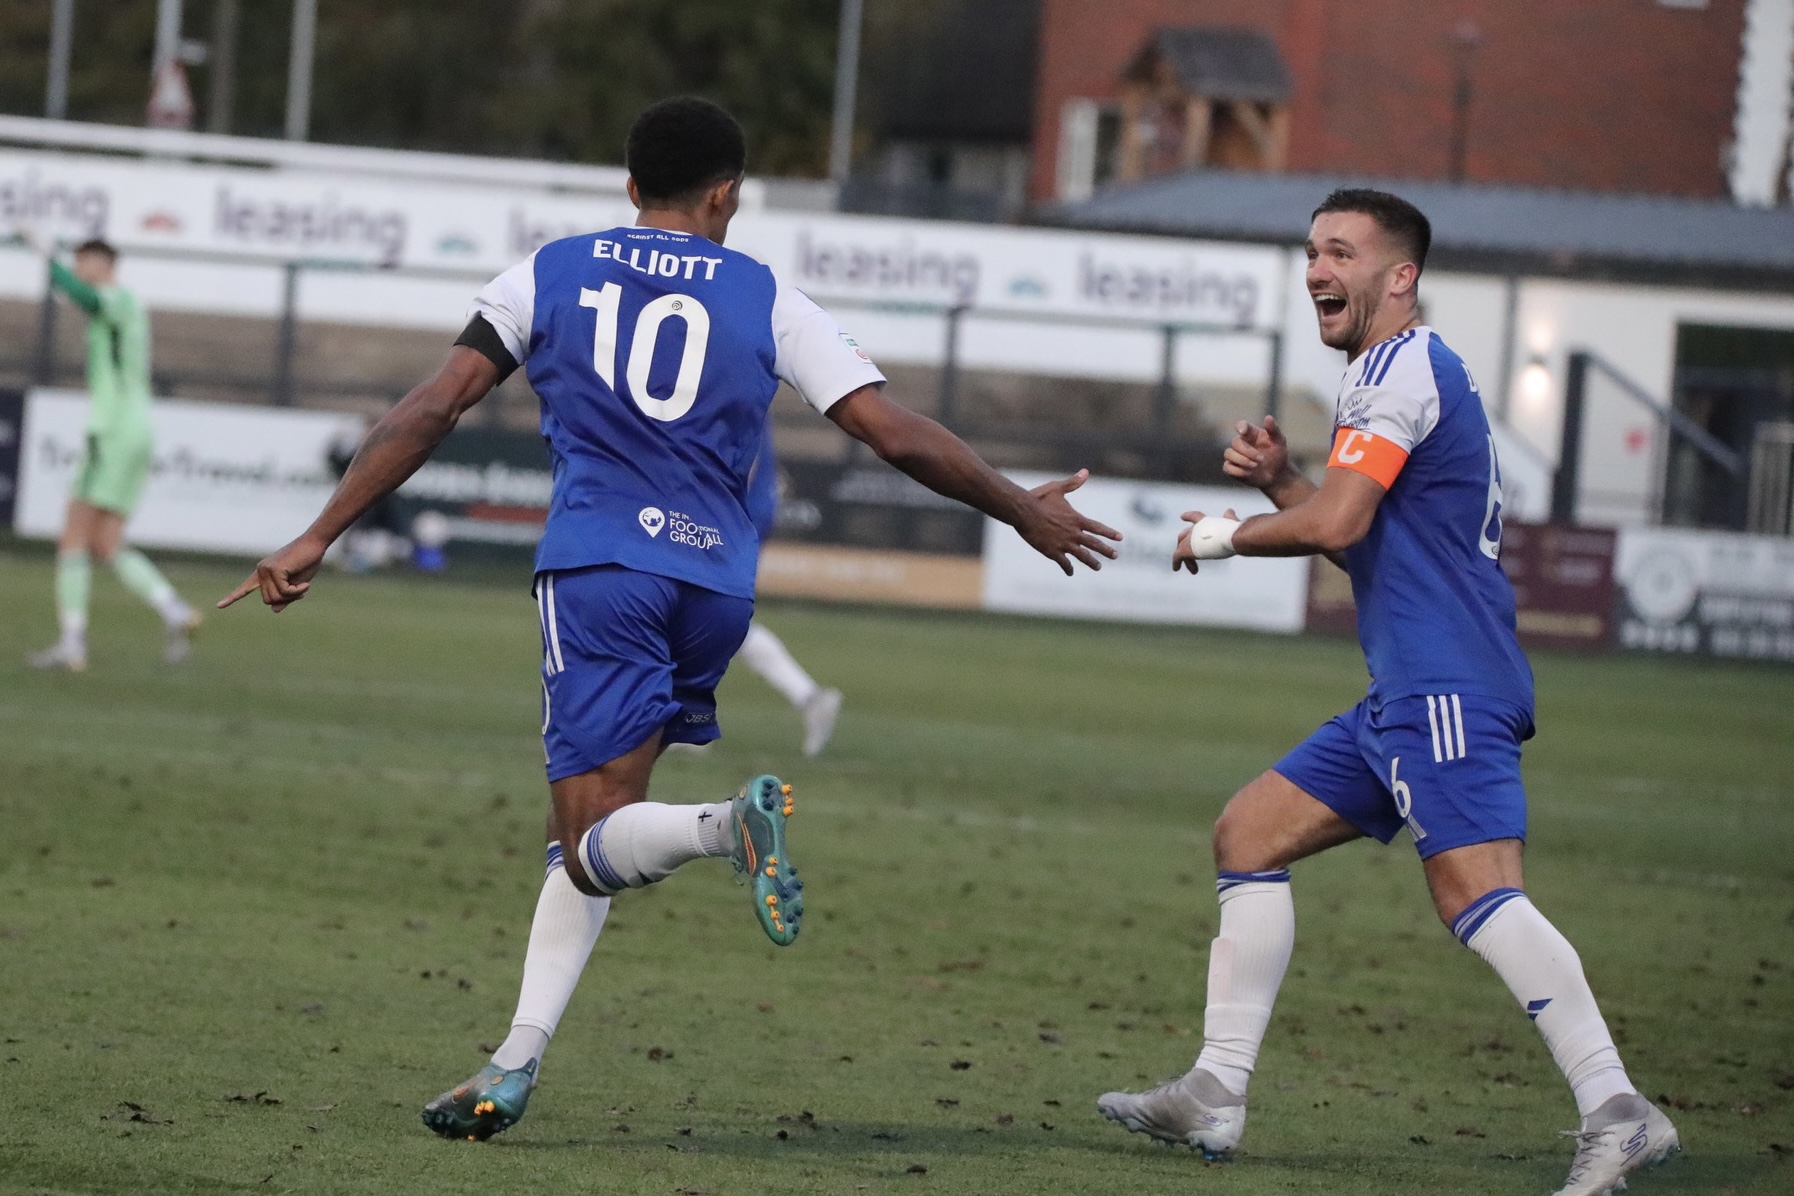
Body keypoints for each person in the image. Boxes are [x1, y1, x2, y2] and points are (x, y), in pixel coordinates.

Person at [220, 97, 1119, 1143]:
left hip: (600, 567)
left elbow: (434, 404)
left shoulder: (546, 272)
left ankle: (721, 826)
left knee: (588, 835)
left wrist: (319, 530)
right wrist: (1018, 506)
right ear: (727, 194)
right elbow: (892, 429)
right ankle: (513, 1060)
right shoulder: (769, 294)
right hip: (714, 587)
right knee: (589, 838)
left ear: (629, 184)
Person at [1094, 190, 1678, 1196]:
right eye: (1311, 250)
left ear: (1397, 277)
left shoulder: (1406, 367)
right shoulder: (1387, 373)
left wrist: (1222, 531)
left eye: (1341, 252)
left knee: (1476, 888)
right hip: (1405, 687)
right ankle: (1215, 1087)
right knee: (1250, 832)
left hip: (1444, 679)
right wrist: (1287, 485)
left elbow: (1340, 526)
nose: (1317, 268)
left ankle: (1617, 1107)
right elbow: (1359, 533)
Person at [22, 236, 200, 671]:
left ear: (101, 263)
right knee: (106, 541)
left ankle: (72, 643)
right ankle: (174, 610)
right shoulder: (130, 306)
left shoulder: (116, 299)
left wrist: (46, 256)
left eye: (82, 262)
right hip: (137, 429)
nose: (78, 270)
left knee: (73, 537)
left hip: (113, 429)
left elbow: (81, 296)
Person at [737, 424, 843, 757]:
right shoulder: (746, 375)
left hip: (739, 512)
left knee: (713, 613)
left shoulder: (730, 377)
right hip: (751, 509)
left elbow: (743, 457)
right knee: (709, 613)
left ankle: (810, 697)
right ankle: (685, 717)